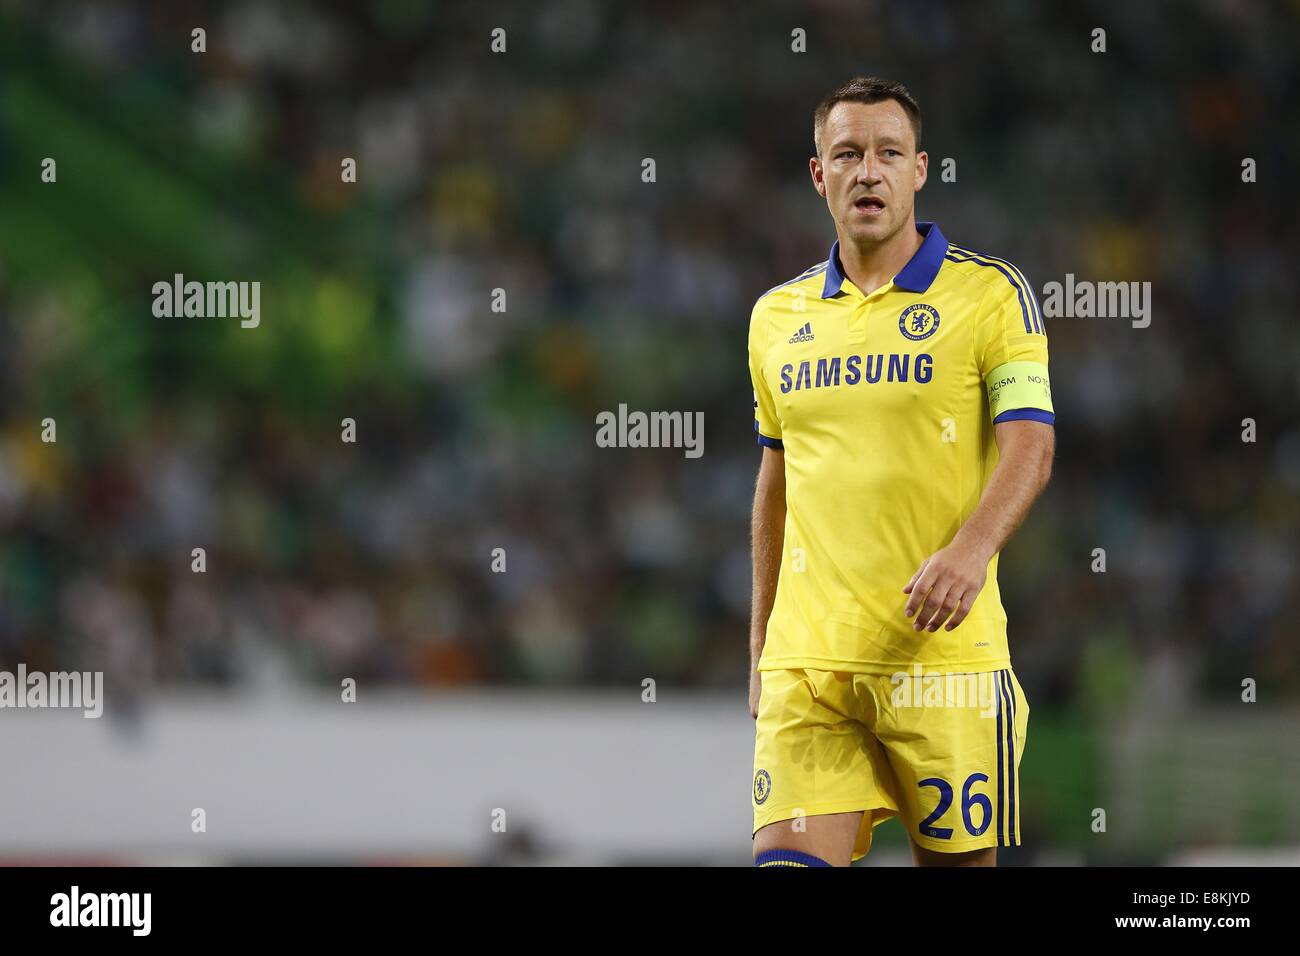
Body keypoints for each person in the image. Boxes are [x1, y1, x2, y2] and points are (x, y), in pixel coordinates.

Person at [748, 76, 1055, 867]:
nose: (868, 171)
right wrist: (760, 648)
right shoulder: (776, 318)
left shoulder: (991, 297)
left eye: (890, 153)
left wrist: (972, 549)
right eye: (847, 154)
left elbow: (1031, 444)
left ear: (921, 171)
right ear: (819, 175)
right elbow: (775, 485)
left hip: (940, 663)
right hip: (809, 667)